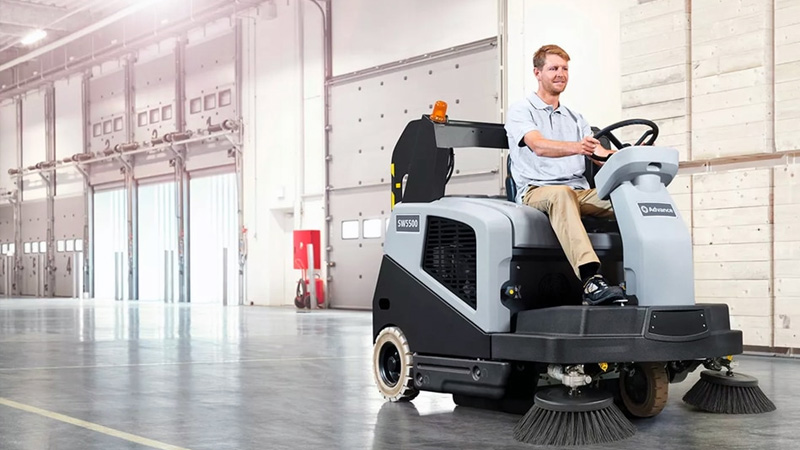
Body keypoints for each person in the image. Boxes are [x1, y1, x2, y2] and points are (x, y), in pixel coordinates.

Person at [504, 44, 625, 306]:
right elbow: (538, 145)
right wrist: (577, 147)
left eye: (565, 68)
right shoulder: (521, 111)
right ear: (537, 73)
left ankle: (636, 274)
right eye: (553, 68)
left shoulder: (575, 118)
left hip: (578, 192)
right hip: (538, 191)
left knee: (628, 199)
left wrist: (628, 156)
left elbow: (598, 155)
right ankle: (591, 280)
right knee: (562, 195)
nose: (561, 74)